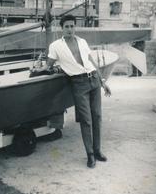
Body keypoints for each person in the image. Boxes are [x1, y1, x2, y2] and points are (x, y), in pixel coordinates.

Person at [46, 14, 111, 168]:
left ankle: (97, 151)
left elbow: (91, 61)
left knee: (97, 116)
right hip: (78, 84)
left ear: (75, 27)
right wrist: (46, 69)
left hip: (94, 79)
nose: (70, 29)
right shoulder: (55, 46)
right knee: (86, 120)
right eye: (67, 26)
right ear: (62, 28)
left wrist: (102, 82)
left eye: (72, 26)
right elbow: (49, 64)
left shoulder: (82, 41)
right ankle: (89, 155)